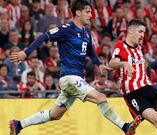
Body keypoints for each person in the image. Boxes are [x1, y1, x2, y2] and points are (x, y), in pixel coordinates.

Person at [8, 1, 141, 135]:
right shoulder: (66, 29)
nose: (91, 15)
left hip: (75, 78)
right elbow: (44, 36)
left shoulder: (86, 33)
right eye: (87, 12)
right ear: (78, 13)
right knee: (100, 97)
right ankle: (124, 127)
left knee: (56, 114)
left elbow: (91, 51)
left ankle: (18, 124)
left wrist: (98, 63)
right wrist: (25, 52)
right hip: (70, 77)